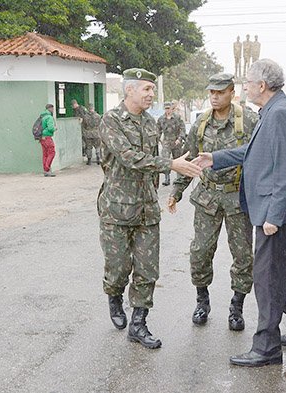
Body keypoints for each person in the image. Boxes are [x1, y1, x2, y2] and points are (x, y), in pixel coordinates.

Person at [193, 59, 286, 367]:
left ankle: (266, 348)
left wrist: (273, 217)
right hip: (275, 207)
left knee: (265, 278)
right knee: (273, 270)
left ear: (262, 86)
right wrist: (215, 157)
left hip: (276, 212)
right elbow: (254, 151)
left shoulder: (279, 114)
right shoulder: (275, 110)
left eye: (248, 82)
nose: (245, 87)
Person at [97, 68, 202, 349]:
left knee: (147, 270)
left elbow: (151, 163)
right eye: (146, 89)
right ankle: (115, 296)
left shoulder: (151, 123)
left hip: (146, 208)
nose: (151, 95)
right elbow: (129, 157)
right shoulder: (111, 121)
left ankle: (139, 323)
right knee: (118, 268)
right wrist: (171, 164)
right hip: (117, 209)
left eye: (152, 90)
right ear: (128, 90)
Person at [168, 73, 258, 331]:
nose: (215, 97)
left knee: (242, 255)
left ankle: (236, 307)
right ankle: (202, 300)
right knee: (200, 252)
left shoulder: (249, 120)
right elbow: (190, 160)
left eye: (220, 92)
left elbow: (260, 156)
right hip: (207, 198)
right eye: (211, 92)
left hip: (237, 198)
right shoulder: (201, 123)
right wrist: (177, 191)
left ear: (232, 92)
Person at [157, 102, 186, 186]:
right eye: (166, 108)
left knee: (178, 159)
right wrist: (158, 139)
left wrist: (180, 139)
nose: (168, 110)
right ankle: (167, 178)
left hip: (176, 142)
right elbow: (158, 130)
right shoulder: (161, 119)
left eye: (169, 108)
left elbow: (182, 129)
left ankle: (179, 178)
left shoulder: (177, 117)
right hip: (166, 142)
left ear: (171, 108)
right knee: (165, 159)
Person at [39, 104, 56, 177]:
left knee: (45, 154)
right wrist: (55, 128)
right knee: (52, 152)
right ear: (50, 108)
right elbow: (50, 128)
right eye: (53, 109)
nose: (53, 110)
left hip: (41, 137)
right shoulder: (49, 117)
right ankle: (47, 169)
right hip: (47, 137)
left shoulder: (42, 116)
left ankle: (45, 171)